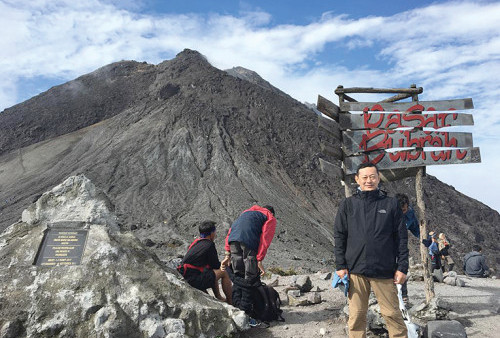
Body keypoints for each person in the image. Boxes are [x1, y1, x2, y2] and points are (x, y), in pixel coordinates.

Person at [334, 163, 408, 338]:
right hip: (355, 270)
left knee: (392, 314)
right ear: (357, 179)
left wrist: (402, 267)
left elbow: (401, 238)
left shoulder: (391, 204)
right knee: (357, 316)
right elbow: (339, 236)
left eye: (372, 177)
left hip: (384, 269)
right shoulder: (348, 204)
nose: (369, 181)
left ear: (378, 178)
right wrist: (340, 265)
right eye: (365, 177)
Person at [221, 205, 277, 319]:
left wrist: (227, 253)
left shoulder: (246, 212)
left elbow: (230, 231)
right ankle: (246, 313)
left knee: (238, 276)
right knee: (249, 278)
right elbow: (265, 238)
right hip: (249, 242)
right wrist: (259, 259)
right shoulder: (269, 217)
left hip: (233, 241)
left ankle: (236, 307)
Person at [177, 221, 232, 304]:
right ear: (211, 233)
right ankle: (231, 302)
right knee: (223, 272)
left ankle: (219, 298)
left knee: (210, 272)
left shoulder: (197, 242)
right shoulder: (209, 245)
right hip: (193, 280)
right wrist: (225, 262)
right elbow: (216, 266)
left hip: (186, 277)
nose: (215, 234)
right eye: (215, 232)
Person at [396, 193, 419, 303]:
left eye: (405, 209)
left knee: (402, 268)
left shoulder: (410, 213)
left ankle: (404, 296)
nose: (403, 212)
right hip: (388, 245)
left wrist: (424, 238)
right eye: (401, 210)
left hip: (402, 244)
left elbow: (415, 228)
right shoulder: (389, 212)